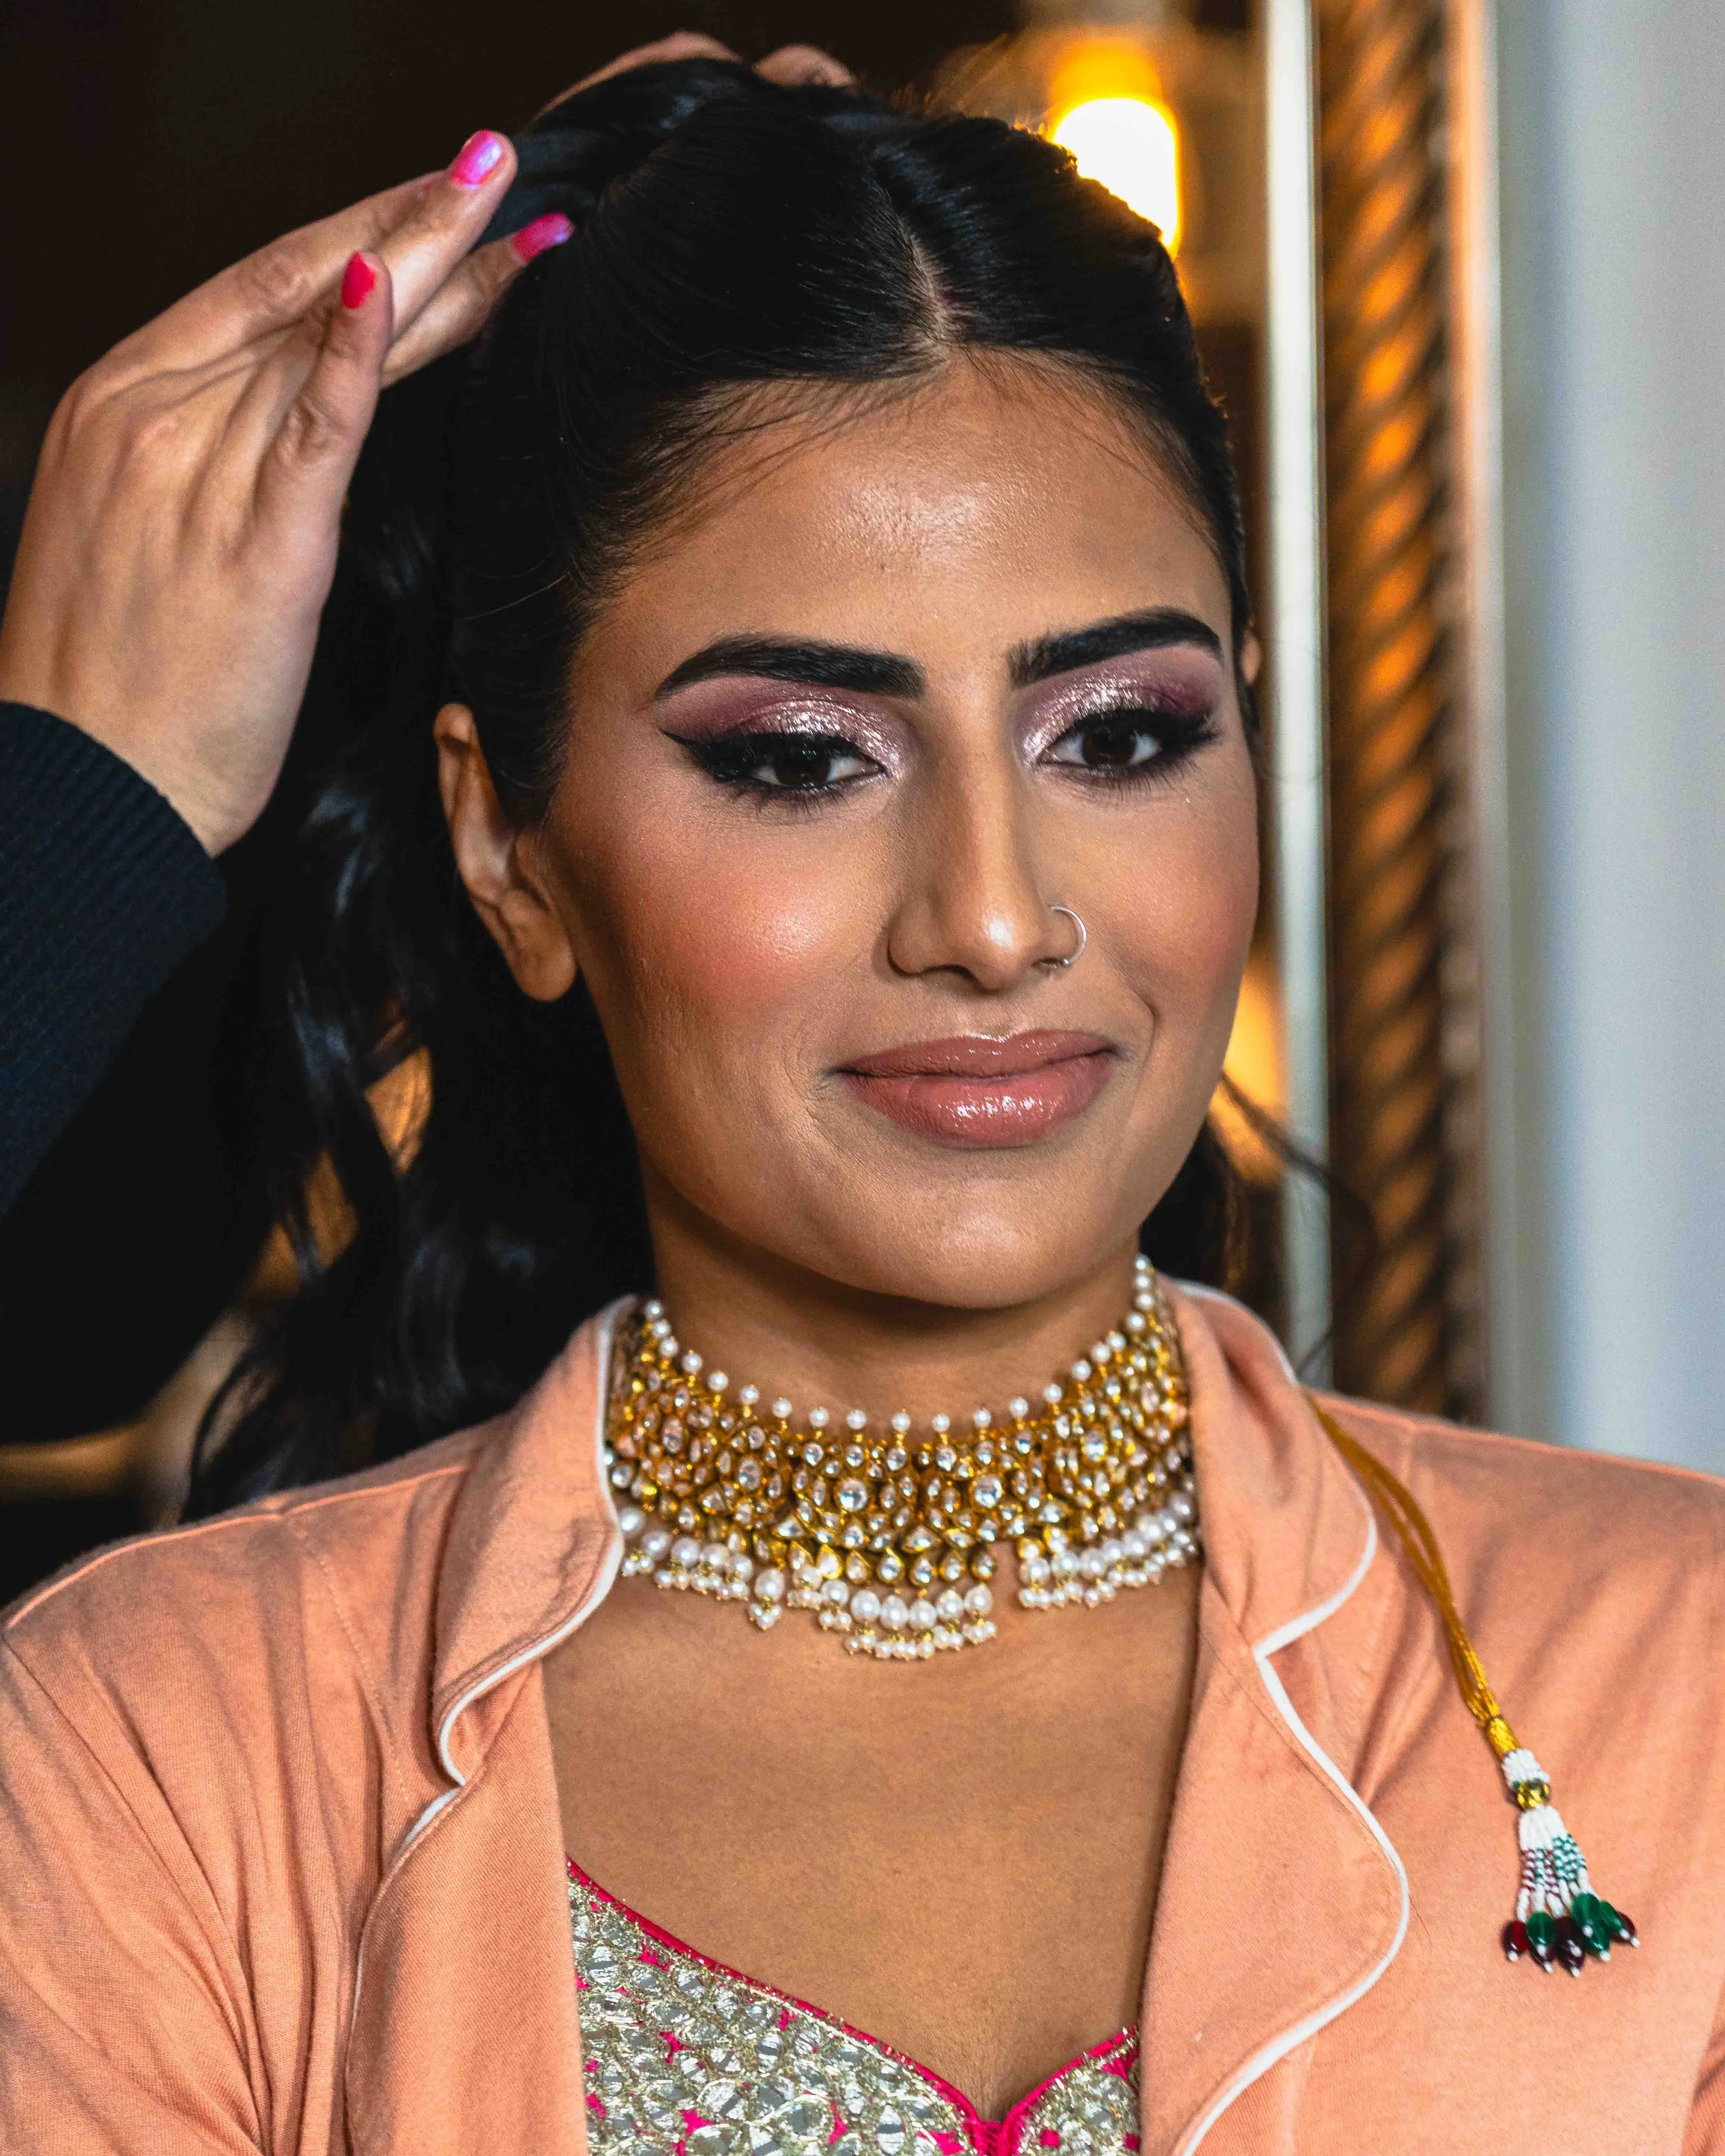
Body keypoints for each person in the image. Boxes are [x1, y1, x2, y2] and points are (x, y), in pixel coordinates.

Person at [1, 46, 1722, 2156]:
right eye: (803, 756)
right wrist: (85, 807)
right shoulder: (167, 1757)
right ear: (502, 850)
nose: (995, 919)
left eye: (1118, 732)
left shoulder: (1667, 1677)